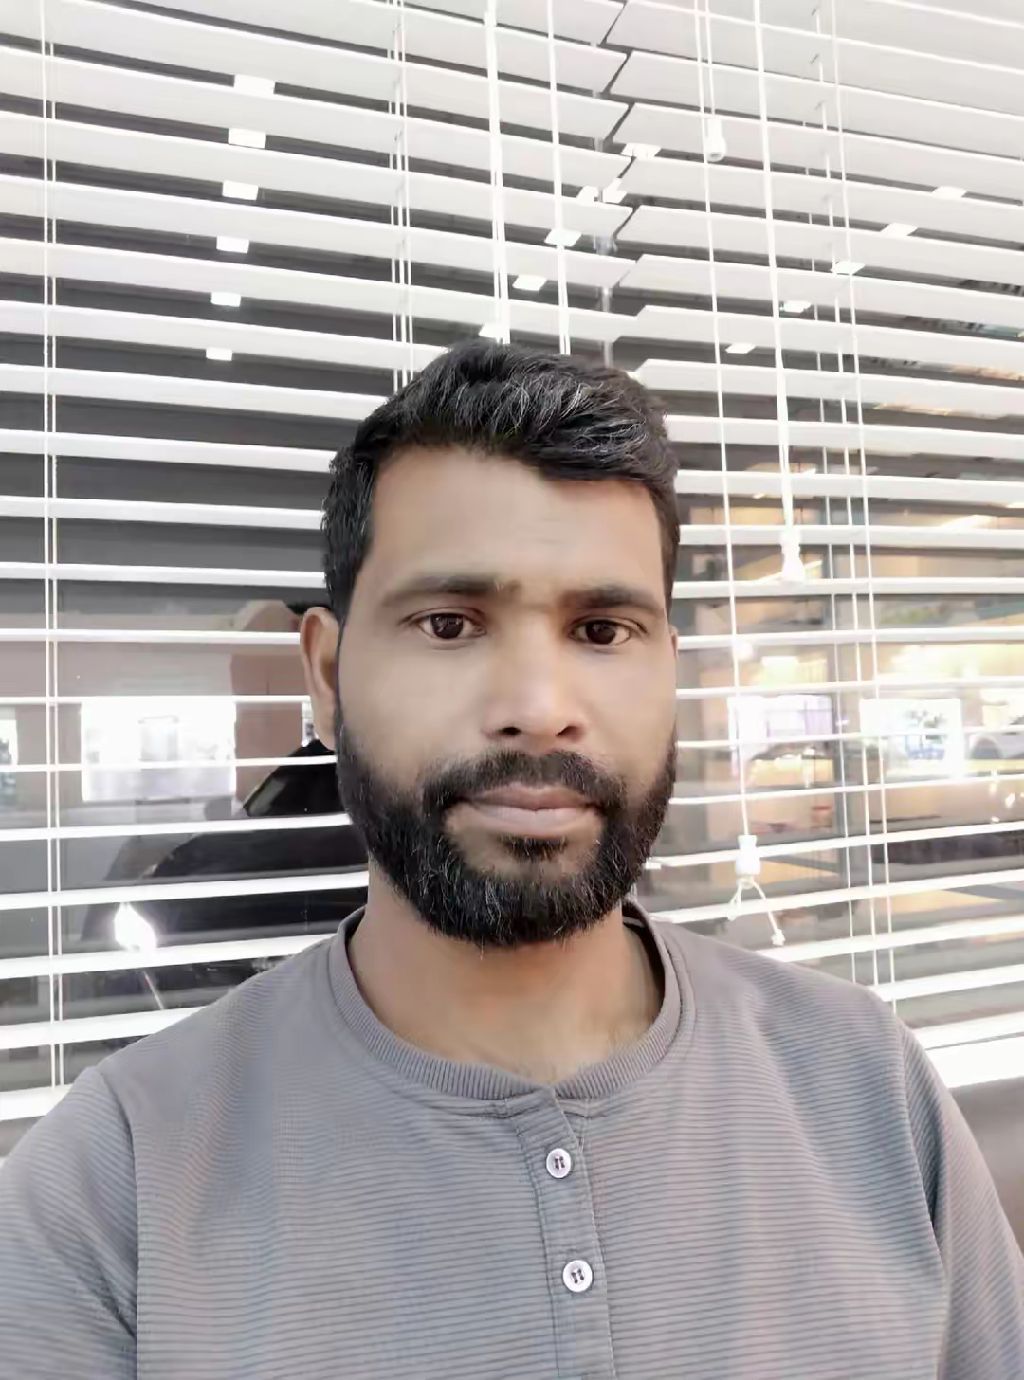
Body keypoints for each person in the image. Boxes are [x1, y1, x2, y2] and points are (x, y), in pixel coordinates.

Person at [1, 342, 1021, 1379]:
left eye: (603, 630)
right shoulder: (115, 1183)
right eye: (449, 624)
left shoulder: (866, 1083)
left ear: (669, 671)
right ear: (328, 676)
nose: (538, 708)